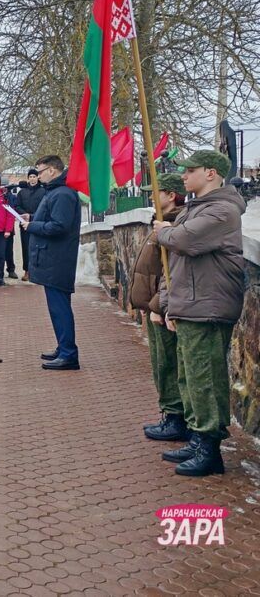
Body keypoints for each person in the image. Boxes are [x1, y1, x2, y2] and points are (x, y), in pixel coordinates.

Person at [154, 150, 246, 476]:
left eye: (190, 170)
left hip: (207, 306)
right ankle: (197, 437)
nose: (183, 176)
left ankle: (209, 448)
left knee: (204, 378)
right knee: (191, 377)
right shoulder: (198, 208)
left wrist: (162, 230)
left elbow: (184, 240)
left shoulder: (222, 210)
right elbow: (177, 260)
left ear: (211, 173)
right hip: (193, 303)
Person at [129, 173, 188, 443]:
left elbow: (170, 273)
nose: (151, 198)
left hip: (162, 308)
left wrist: (157, 306)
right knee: (160, 363)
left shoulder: (174, 227)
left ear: (171, 195)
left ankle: (175, 417)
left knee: (167, 364)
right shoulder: (161, 223)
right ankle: (170, 413)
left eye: (156, 193)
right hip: (154, 306)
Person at [19, 155, 81, 370]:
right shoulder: (55, 191)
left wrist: (32, 226)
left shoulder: (63, 193)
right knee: (57, 309)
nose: (38, 176)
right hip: (52, 259)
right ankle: (63, 347)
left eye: (40, 171)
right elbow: (50, 217)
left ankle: (68, 354)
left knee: (60, 308)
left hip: (57, 260)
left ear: (52, 170)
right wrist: (32, 218)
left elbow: (59, 226)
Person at [15, 168, 47, 282]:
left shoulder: (43, 191)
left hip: (39, 223)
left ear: (37, 178)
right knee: (26, 248)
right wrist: (25, 214)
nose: (32, 179)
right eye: (30, 177)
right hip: (25, 224)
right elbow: (17, 206)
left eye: (34, 176)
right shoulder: (22, 192)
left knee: (39, 248)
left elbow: (45, 207)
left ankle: (39, 271)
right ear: (28, 178)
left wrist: (32, 216)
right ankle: (27, 271)